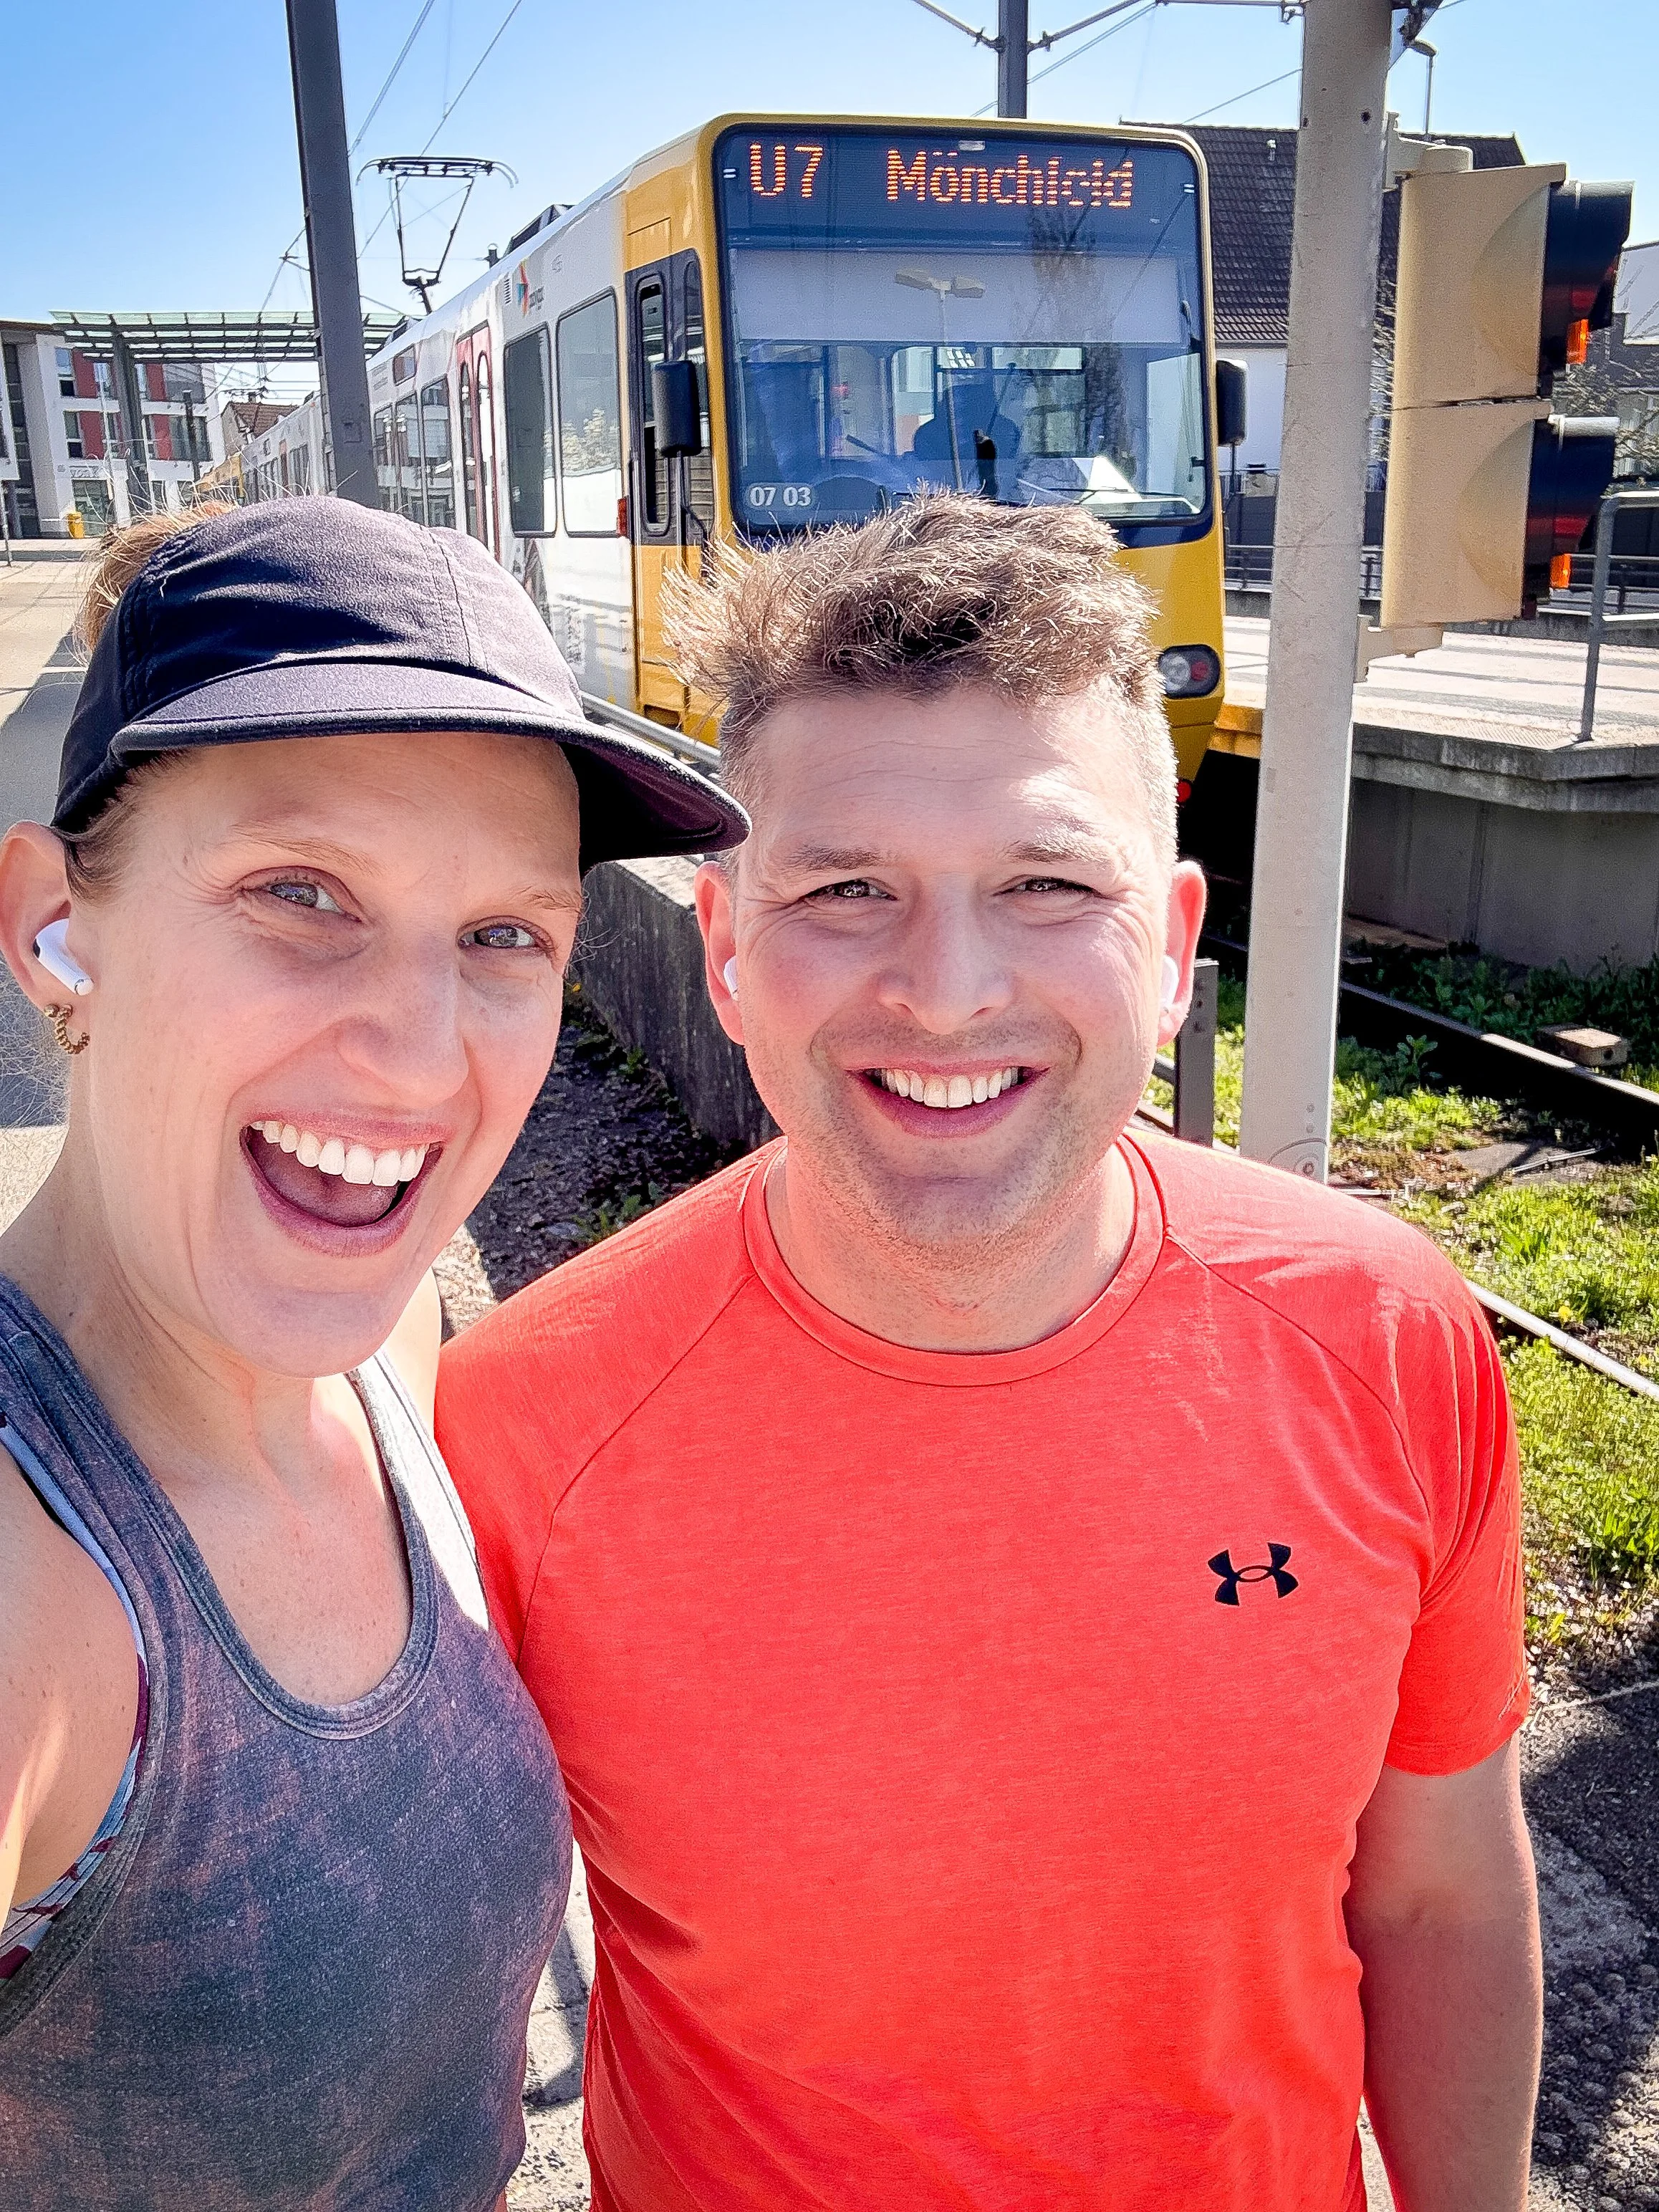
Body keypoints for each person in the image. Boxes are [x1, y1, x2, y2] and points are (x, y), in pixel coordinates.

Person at [438, 494, 1542, 2212]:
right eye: (848, 886)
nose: (946, 990)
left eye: (1045, 883)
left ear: (1172, 950)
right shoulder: (509, 1427)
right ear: (724, 946)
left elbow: (1442, 1896)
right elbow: (436, 2012)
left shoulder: (1389, 1336)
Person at [0, 497, 745, 2209]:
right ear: (57, 928)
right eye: (300, 891)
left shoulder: (390, 1348)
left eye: (505, 935)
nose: (421, 1054)